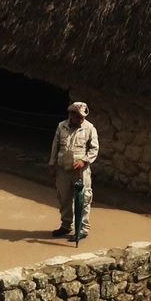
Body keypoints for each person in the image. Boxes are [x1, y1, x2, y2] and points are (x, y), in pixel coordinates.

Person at [47, 101, 99, 239]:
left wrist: (84, 160)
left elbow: (94, 149)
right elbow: (55, 146)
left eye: (83, 117)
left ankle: (82, 229)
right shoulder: (61, 126)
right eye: (78, 117)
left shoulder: (89, 128)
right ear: (71, 115)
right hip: (63, 169)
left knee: (83, 199)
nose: (81, 119)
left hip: (80, 171)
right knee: (64, 198)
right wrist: (52, 164)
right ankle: (66, 225)